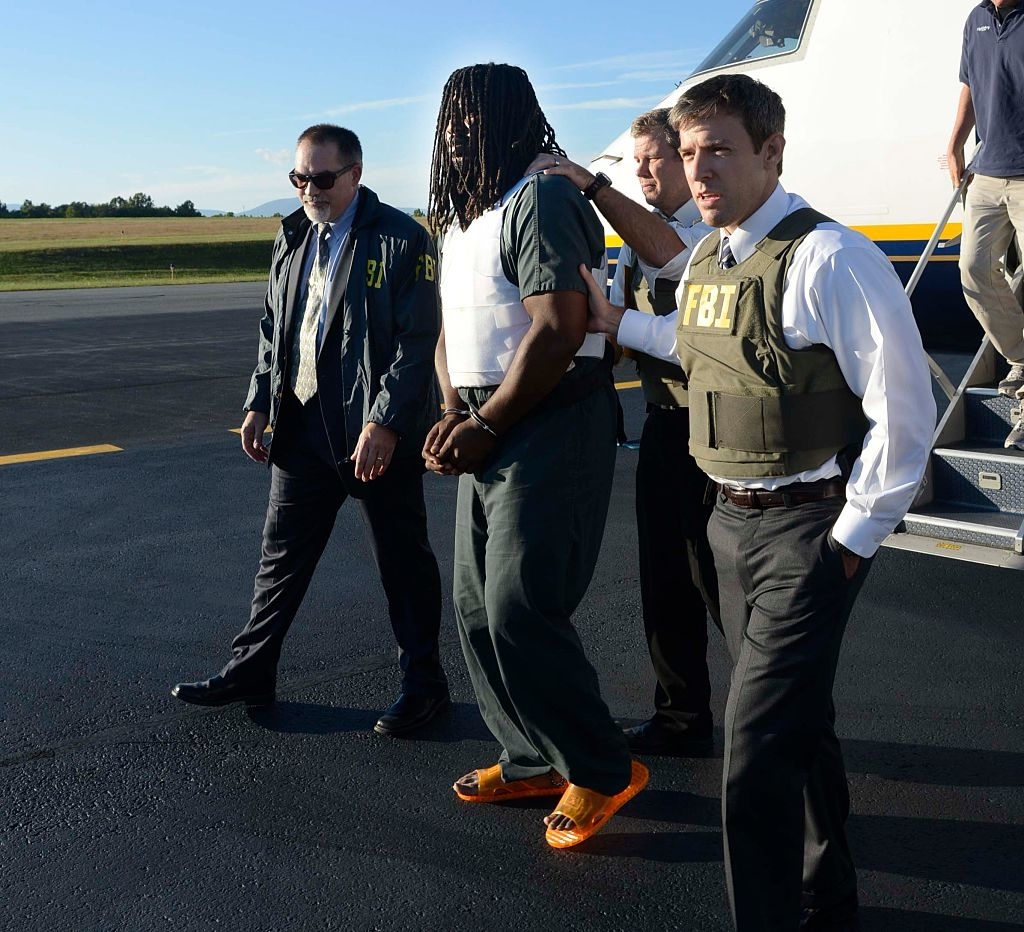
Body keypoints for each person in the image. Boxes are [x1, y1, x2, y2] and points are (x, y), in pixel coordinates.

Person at [583, 74, 934, 930]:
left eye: (719, 153)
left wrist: (849, 543)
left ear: (773, 153)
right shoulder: (710, 256)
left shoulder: (831, 257)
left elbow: (906, 409)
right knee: (798, 725)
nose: (698, 174)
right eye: (689, 154)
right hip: (728, 522)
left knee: (753, 752)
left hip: (807, 528)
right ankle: (828, 895)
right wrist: (615, 321)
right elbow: (692, 342)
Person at [422, 62, 647, 849]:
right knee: (477, 608)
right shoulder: (461, 216)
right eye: (450, 118)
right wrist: (454, 409)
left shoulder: (541, 199)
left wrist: (485, 423)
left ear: (512, 119)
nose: (458, 132)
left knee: (522, 606)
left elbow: (558, 329)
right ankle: (529, 759)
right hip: (489, 416)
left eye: (472, 116)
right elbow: (452, 329)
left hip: (548, 419)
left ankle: (601, 768)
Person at [172, 124, 450, 738]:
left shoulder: (403, 240)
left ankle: (424, 684)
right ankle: (252, 669)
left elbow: (416, 340)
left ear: (355, 174)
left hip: (373, 434)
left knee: (401, 560)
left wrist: (384, 421)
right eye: (299, 178)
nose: (310, 189)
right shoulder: (292, 236)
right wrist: (257, 402)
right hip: (300, 426)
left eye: (323, 179)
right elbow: (277, 326)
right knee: (280, 560)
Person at [533, 108, 721, 756]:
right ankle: (681, 716)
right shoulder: (635, 243)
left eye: (653, 159)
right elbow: (622, 333)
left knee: (723, 588)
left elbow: (670, 265)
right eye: (634, 162)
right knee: (665, 581)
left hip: (720, 428)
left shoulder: (709, 234)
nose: (642, 172)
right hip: (664, 424)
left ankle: (777, 724)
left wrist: (592, 186)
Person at [947, 0, 1024, 449]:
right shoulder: (975, 19)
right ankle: (1019, 356)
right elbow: (970, 86)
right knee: (973, 271)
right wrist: (955, 143)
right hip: (987, 170)